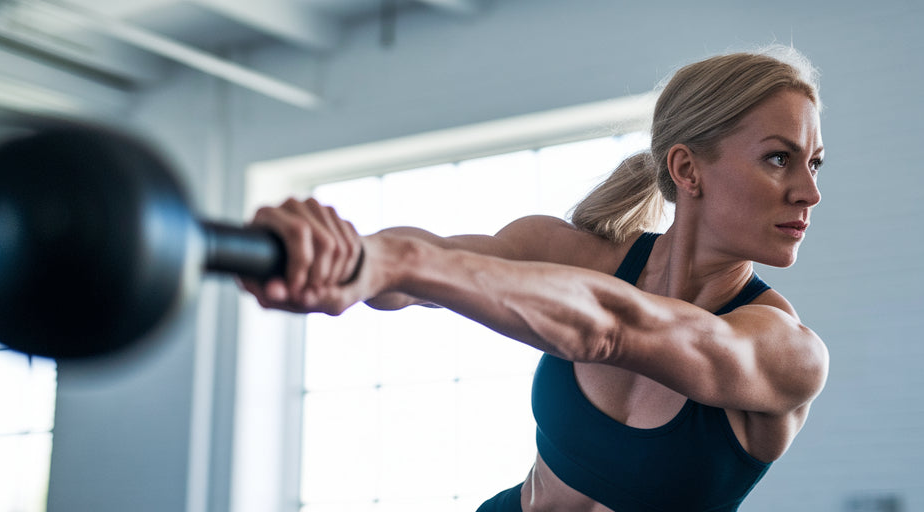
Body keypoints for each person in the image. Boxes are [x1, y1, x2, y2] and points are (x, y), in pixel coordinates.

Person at [240, 45, 829, 512]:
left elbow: (613, 328)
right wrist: (329, 251)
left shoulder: (786, 353)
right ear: (686, 169)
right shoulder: (569, 254)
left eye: (814, 162)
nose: (809, 191)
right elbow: (414, 271)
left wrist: (391, 265)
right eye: (779, 158)